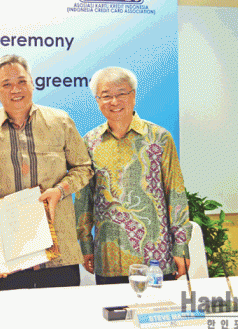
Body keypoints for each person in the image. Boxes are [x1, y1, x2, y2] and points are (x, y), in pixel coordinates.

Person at [0, 54, 93, 290]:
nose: (15, 89)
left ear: (32, 82)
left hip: (59, 249)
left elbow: (84, 167)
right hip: (12, 252)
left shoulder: (60, 121)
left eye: (21, 81)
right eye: (7, 84)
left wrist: (60, 190)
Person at [75, 66, 192, 285]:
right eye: (106, 96)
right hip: (109, 259)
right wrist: (85, 244)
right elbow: (84, 199)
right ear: (97, 100)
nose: (114, 101)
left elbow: (175, 194)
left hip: (156, 259)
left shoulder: (159, 138)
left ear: (134, 95)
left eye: (121, 94)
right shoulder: (89, 142)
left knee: (159, 307)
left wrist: (181, 247)